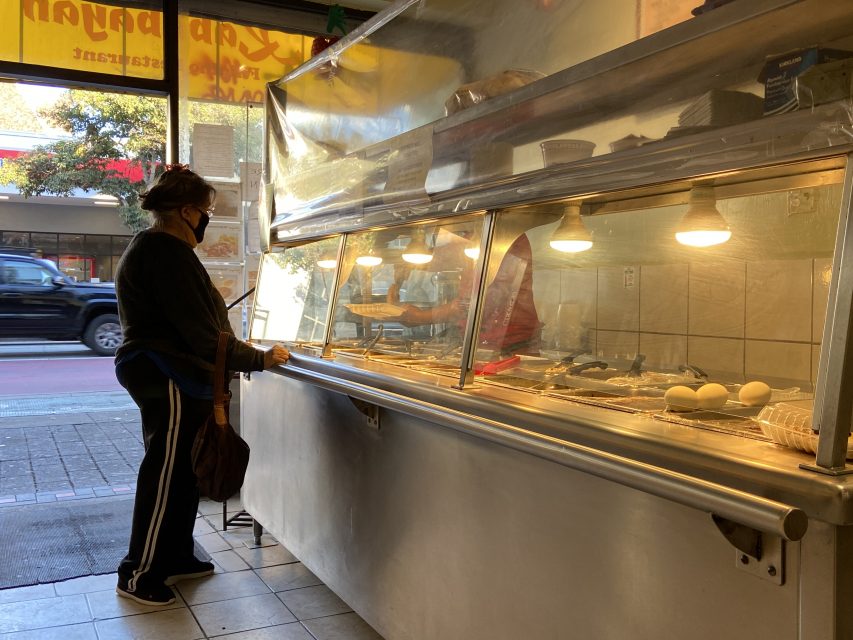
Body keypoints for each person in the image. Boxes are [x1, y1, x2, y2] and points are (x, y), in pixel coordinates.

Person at [112, 164, 290, 606]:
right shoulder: (164, 252)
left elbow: (200, 325)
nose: (207, 219)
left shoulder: (162, 249)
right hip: (166, 373)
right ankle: (138, 573)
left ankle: (174, 556)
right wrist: (258, 358)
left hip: (173, 371)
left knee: (184, 470)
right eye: (206, 210)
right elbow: (203, 336)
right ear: (187, 211)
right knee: (166, 471)